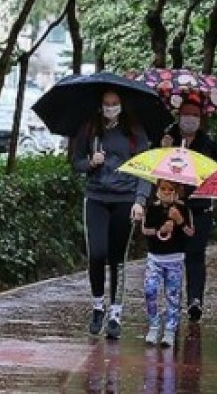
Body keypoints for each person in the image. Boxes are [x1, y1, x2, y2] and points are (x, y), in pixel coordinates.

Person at [71, 88, 146, 340]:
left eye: (115, 103)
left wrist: (140, 200)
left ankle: (115, 313)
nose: (110, 107)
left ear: (122, 105)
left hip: (125, 199)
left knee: (117, 257)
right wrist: (91, 162)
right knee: (97, 253)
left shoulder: (135, 133)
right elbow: (76, 162)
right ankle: (97, 306)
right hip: (96, 198)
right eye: (106, 103)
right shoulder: (90, 129)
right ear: (100, 105)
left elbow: (145, 170)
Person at [151, 97, 217, 322]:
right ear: (179, 115)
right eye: (186, 113)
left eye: (195, 114)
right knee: (170, 257)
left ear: (200, 119)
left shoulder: (209, 145)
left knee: (195, 255)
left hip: (199, 208)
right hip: (172, 208)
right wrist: (163, 150)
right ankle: (171, 300)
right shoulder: (165, 139)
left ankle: (195, 300)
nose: (190, 118)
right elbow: (153, 173)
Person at [141, 178, 194, 349]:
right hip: (155, 258)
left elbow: (190, 233)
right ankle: (154, 324)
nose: (166, 192)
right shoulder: (151, 208)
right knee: (150, 289)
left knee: (173, 295)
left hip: (175, 258)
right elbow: (144, 230)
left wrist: (179, 221)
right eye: (163, 188)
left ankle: (170, 329)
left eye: (170, 189)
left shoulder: (183, 208)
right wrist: (159, 230)